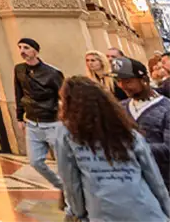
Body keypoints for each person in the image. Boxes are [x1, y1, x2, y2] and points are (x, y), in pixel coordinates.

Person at [57, 75, 170, 221]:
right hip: (145, 210)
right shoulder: (128, 133)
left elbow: (71, 182)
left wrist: (78, 212)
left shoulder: (67, 134)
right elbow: (154, 178)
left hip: (104, 212)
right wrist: (166, 210)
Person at [13, 38, 66, 195]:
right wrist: (19, 116)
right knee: (35, 161)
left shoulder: (52, 73)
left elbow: (63, 96)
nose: (22, 51)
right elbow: (18, 92)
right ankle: (62, 186)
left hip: (52, 122)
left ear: (35, 51)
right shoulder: (19, 69)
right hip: (32, 121)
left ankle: (70, 193)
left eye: (26, 48)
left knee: (62, 161)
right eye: (20, 47)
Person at [113, 57, 170, 189]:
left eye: (127, 81)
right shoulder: (120, 108)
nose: (122, 86)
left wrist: (133, 149)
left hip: (164, 182)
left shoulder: (166, 108)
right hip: (134, 183)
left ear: (144, 80)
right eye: (119, 81)